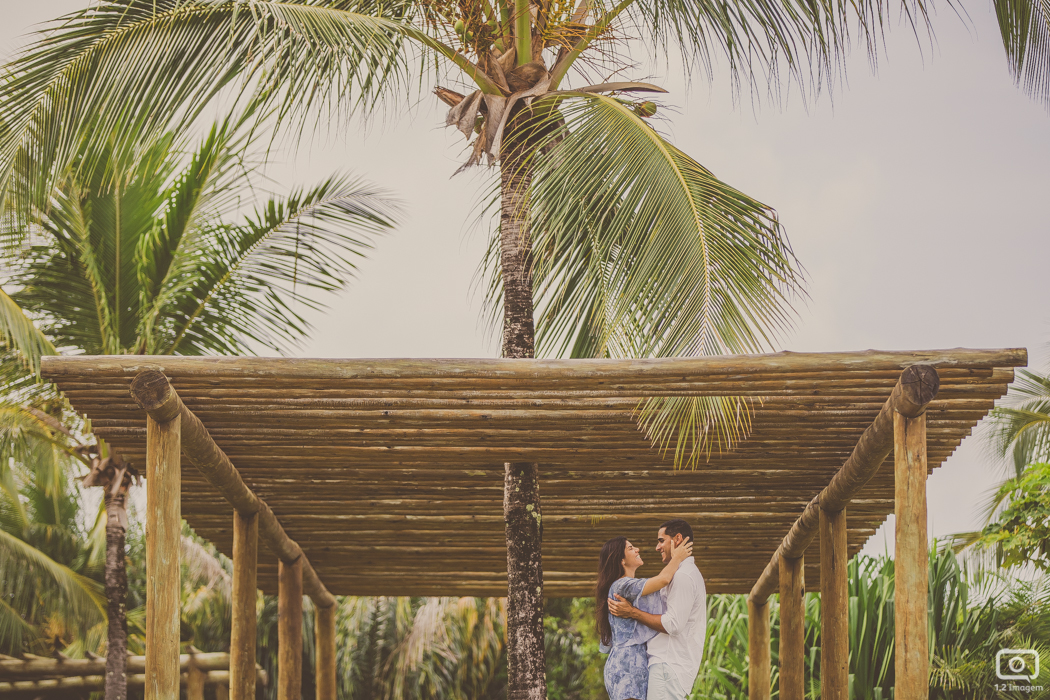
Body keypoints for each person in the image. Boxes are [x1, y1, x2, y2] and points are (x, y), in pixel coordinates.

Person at [608, 519, 707, 700]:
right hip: (661, 665)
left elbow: (673, 624)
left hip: (667, 664)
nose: (657, 547)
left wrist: (632, 612)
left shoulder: (683, 576)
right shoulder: (679, 574)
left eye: (661, 541)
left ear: (677, 539)